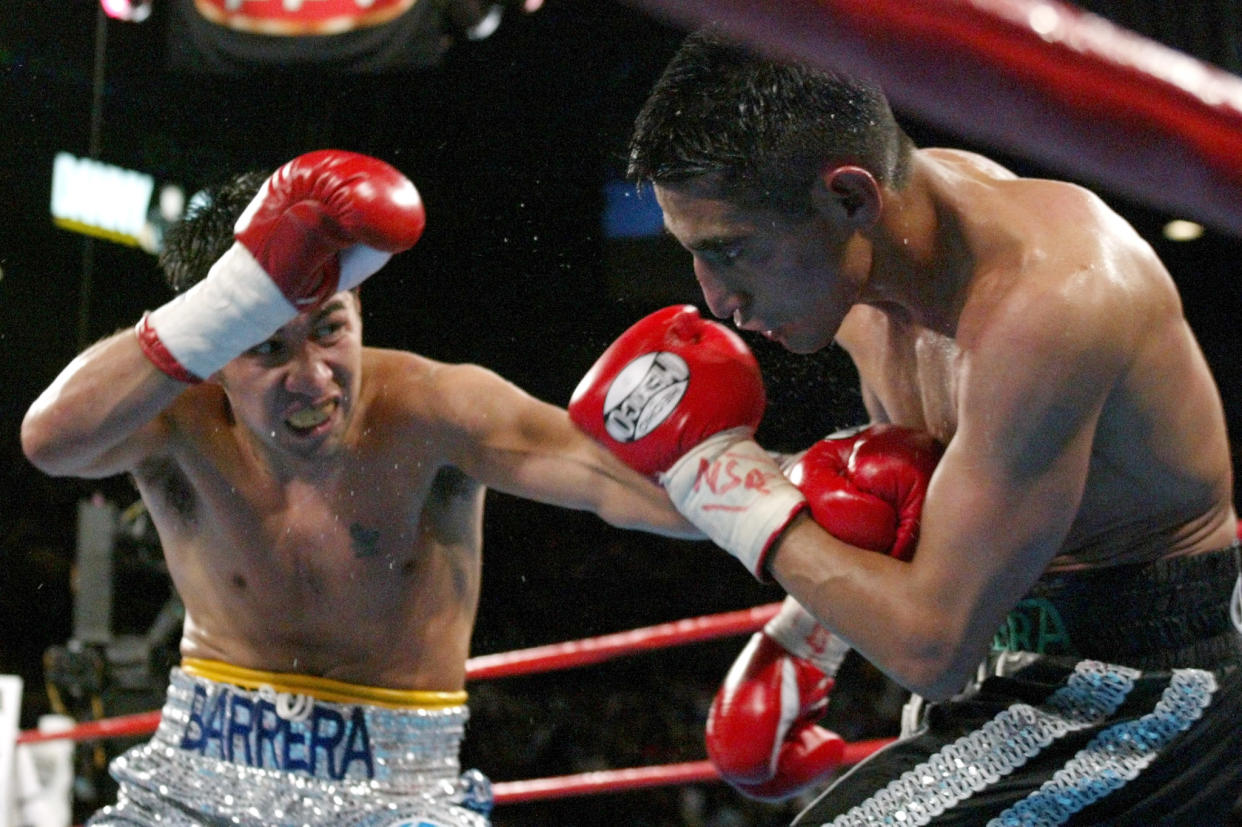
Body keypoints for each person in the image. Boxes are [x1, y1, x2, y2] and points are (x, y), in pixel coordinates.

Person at [574, 27, 1242, 824]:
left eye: (732, 250)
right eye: (694, 253)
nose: (716, 298)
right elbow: (921, 508)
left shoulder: (1049, 304)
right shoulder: (869, 281)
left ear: (851, 197)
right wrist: (806, 636)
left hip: (1152, 685)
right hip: (1006, 664)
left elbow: (932, 643)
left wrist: (718, 483)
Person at [20, 149, 695, 826]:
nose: (314, 377)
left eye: (329, 329)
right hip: (192, 780)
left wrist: (773, 487)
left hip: (398, 796)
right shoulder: (175, 416)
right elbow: (49, 440)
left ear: (360, 306)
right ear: (213, 348)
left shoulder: (434, 409)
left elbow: (629, 485)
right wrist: (230, 298)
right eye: (267, 346)